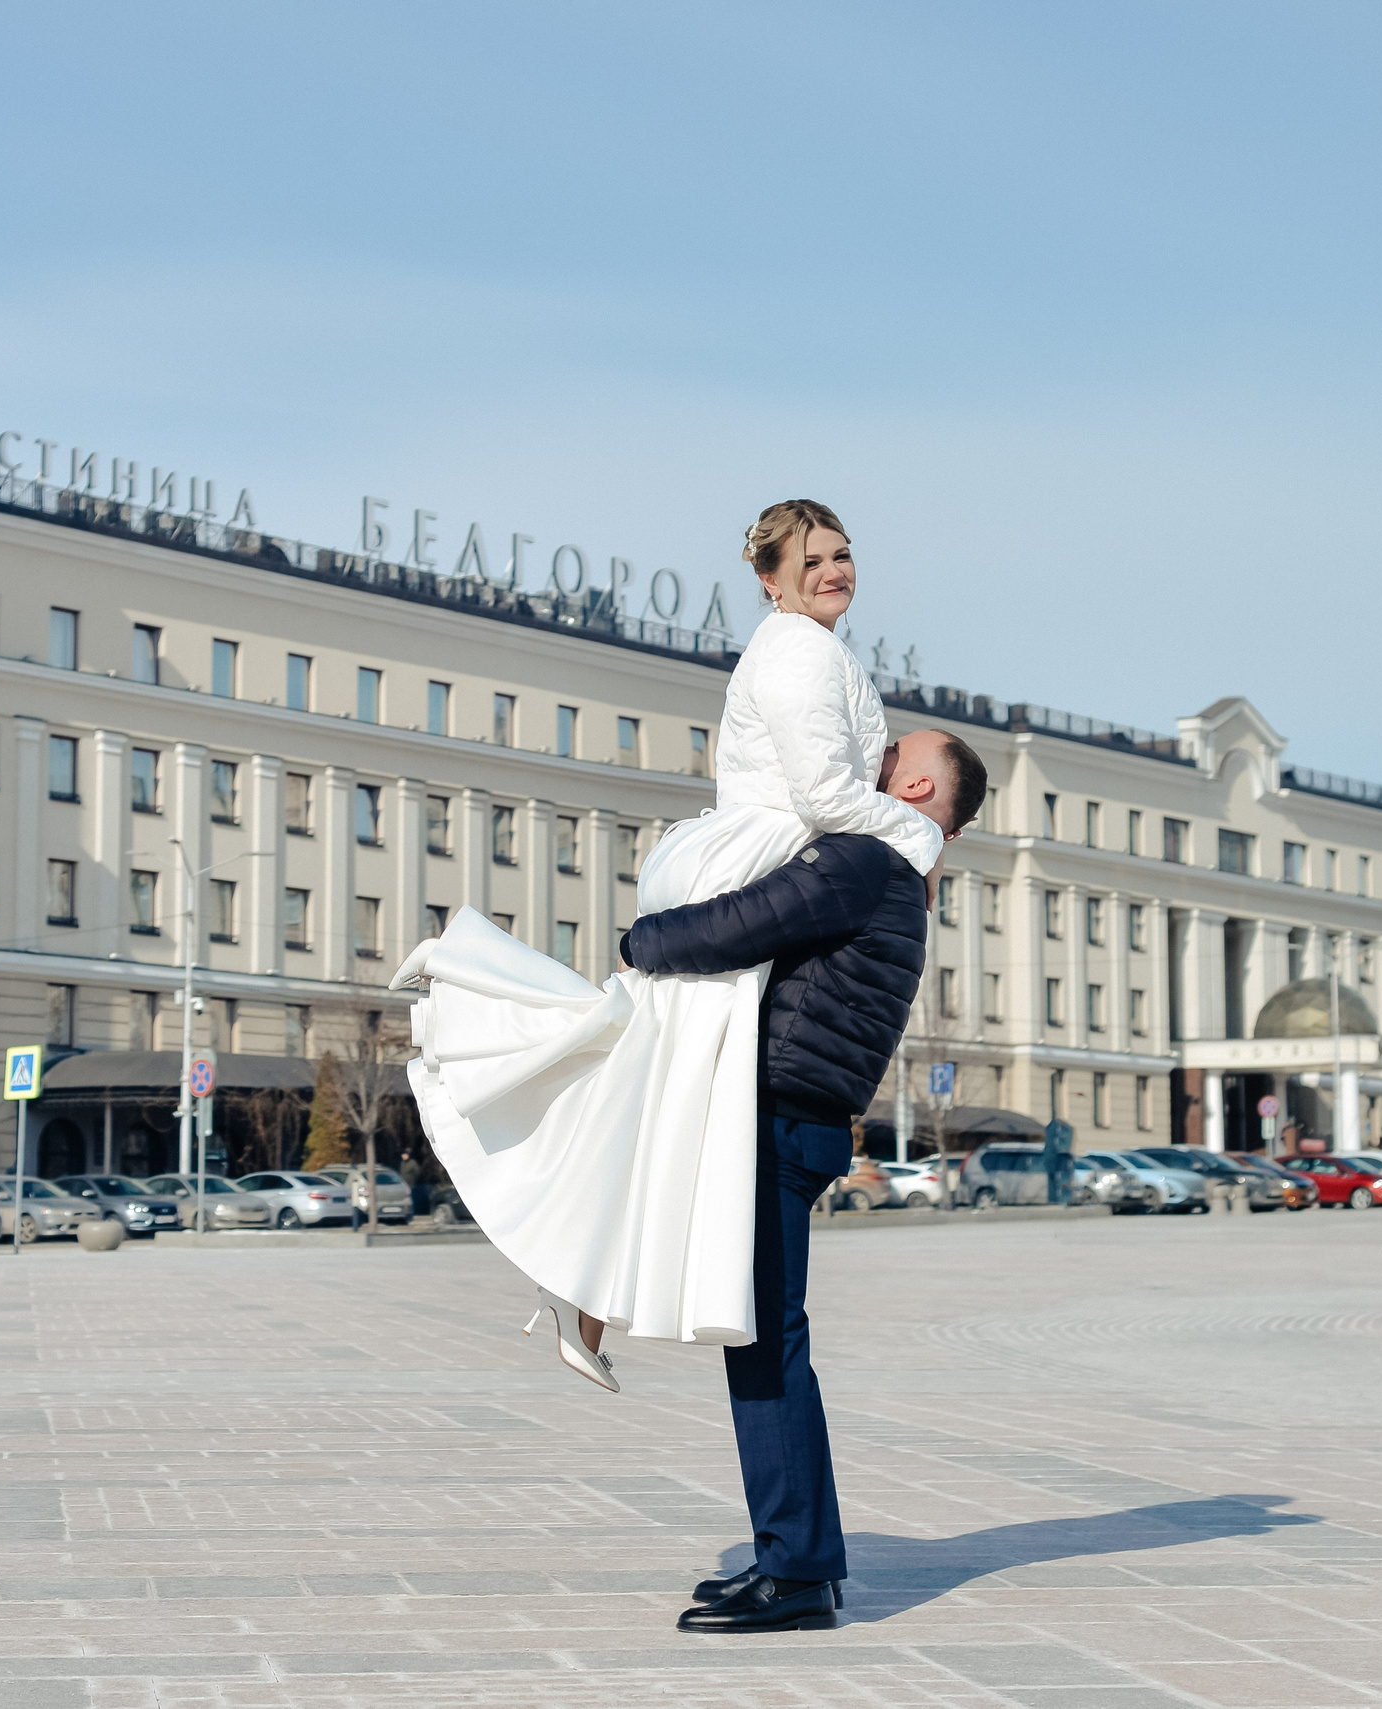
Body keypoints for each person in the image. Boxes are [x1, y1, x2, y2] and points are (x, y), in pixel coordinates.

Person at [394, 501, 947, 1374]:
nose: (835, 571)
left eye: (843, 555)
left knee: (649, 1084)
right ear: (770, 580)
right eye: (812, 562)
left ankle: (584, 1296)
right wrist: (919, 839)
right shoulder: (802, 651)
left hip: (743, 850)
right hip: (755, 852)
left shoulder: (816, 648)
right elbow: (826, 797)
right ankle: (474, 984)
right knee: (660, 1085)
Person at [620, 730, 988, 1633]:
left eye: (892, 750)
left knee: (767, 1339)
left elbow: (743, 920)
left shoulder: (865, 860)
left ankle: (799, 1569)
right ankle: (795, 1556)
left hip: (777, 1113)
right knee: (764, 1335)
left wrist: (642, 939)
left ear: (910, 783)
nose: (869, 752)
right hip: (799, 1116)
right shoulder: (899, 880)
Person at [1043, 1112, 1075, 1207]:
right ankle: (1058, 1199)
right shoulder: (1061, 1154)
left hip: (1057, 1162)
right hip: (1055, 1162)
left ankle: (1058, 1200)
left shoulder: (1063, 1156)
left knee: (1059, 1181)